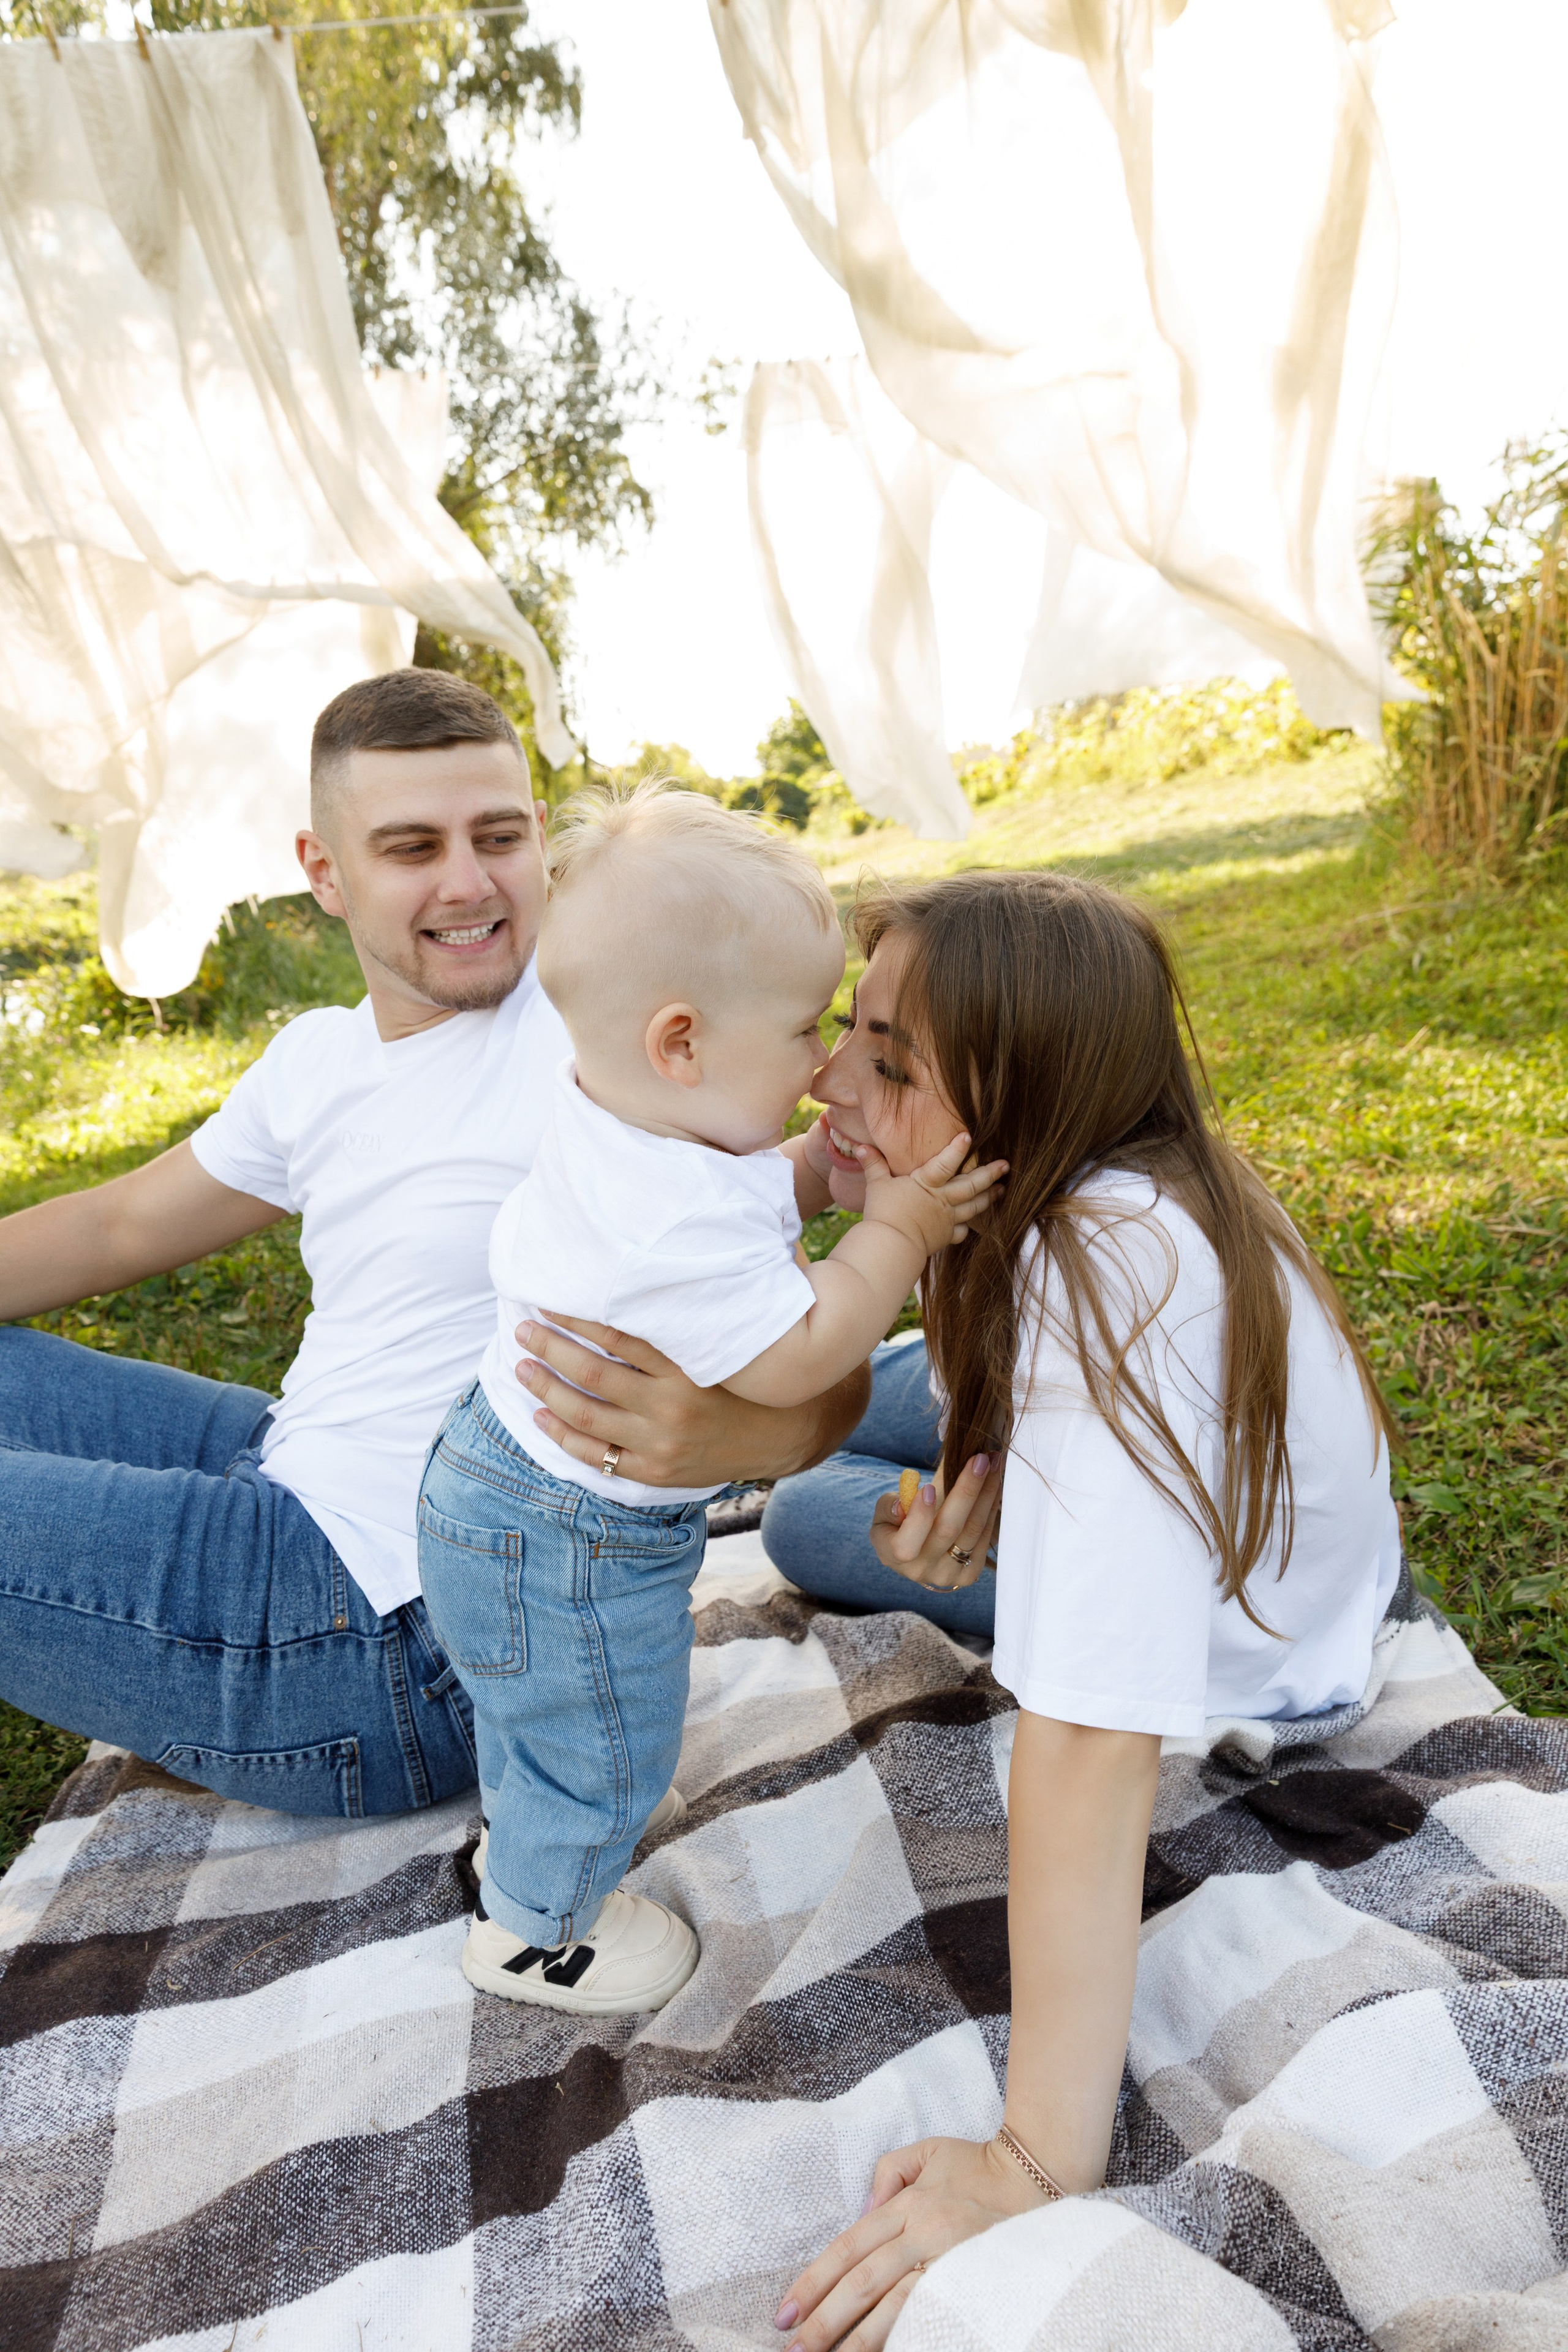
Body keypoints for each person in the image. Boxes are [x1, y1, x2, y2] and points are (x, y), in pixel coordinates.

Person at [0, 672, 869, 1817]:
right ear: (324, 871)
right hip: (292, 1469)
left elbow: (798, 1320)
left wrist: (768, 1433)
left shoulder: (620, 1036)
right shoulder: (317, 1062)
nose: (468, 883)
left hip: (402, 1631)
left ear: (540, 839)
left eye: (498, 837)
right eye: (412, 847)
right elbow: (116, 1223)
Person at [763, 869, 1400, 2352]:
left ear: (1026, 1103)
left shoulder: (1106, 1282)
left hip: (1257, 1655)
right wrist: (985, 1482)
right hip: (1268, 1549)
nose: (826, 1083)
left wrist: (1036, 2158)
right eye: (848, 1034)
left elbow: (1092, 1740)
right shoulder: (1122, 1175)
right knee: (819, 1446)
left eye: (886, 1066)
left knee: (799, 1511)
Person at [419, 782, 1004, 2015]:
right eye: (804, 1031)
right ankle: (537, 1931)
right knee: (608, 1730)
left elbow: (734, 1202)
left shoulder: (631, 1124)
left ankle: (527, 1839)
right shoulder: (671, 1217)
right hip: (573, 1541)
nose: (825, 1067)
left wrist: (815, 1176)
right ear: (680, 1044)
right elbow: (798, 1355)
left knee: (538, 1709)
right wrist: (896, 1231)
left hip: (492, 1487)